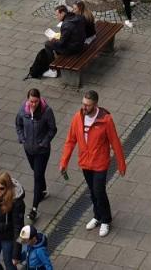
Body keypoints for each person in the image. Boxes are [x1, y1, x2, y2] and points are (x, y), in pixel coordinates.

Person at [59, 90, 127, 238]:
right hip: (85, 163)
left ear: (95, 105)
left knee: (99, 191)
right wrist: (64, 162)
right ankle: (97, 215)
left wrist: (121, 163)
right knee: (92, 191)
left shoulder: (105, 120)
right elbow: (70, 141)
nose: (84, 108)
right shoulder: (78, 117)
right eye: (83, 104)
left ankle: (106, 219)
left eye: (88, 105)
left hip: (100, 163)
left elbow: (115, 142)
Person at [15, 89, 56, 219]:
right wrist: (22, 138)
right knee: (37, 172)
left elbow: (52, 129)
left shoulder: (46, 111)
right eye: (31, 101)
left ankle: (34, 208)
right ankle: (42, 191)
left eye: (36, 101)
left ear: (40, 100)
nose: (33, 104)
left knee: (37, 176)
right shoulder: (23, 110)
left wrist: (44, 142)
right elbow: (18, 124)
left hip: (42, 151)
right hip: (29, 149)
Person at [27, 4, 85, 80]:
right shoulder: (77, 17)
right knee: (53, 43)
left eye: (57, 15)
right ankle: (55, 59)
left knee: (48, 44)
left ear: (63, 13)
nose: (57, 17)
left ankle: (53, 69)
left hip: (73, 49)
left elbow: (61, 43)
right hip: (80, 43)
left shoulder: (66, 25)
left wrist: (53, 39)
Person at [0, 171, 26, 270]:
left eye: (2, 188)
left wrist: (16, 254)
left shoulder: (16, 203)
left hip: (8, 237)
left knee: (9, 264)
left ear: (8, 188)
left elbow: (18, 228)